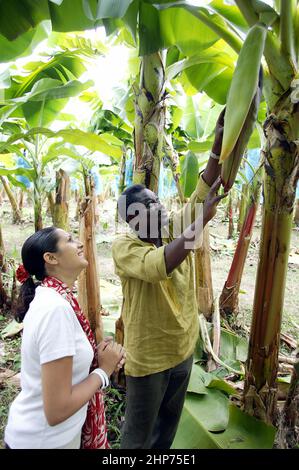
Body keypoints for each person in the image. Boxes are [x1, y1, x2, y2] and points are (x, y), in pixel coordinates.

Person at [112, 110, 226, 449]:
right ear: (133, 218)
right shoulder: (125, 247)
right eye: (149, 204)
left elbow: (204, 188)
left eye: (157, 199)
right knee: (138, 438)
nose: (159, 206)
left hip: (182, 349)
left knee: (167, 431)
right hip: (148, 360)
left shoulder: (170, 228)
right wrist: (201, 221)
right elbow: (161, 264)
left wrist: (220, 140)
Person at [4, 227, 125, 449]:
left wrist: (94, 356)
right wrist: (103, 371)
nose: (79, 243)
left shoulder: (57, 299)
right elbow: (57, 410)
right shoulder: (55, 310)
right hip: (42, 441)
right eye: (69, 240)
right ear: (50, 258)